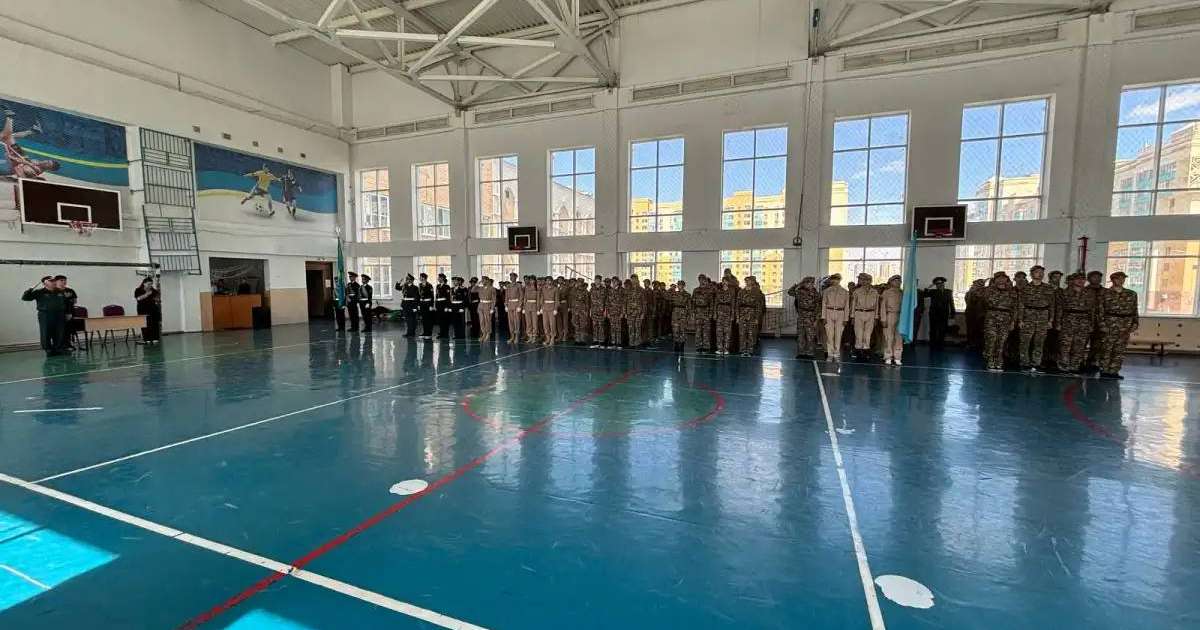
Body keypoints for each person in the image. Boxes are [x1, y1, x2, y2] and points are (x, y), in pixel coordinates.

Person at [1096, 271, 1138, 379]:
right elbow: (1100, 310)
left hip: (1125, 325)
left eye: (1123, 278)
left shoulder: (1131, 294)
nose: (1121, 280)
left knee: (1120, 350)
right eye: (1118, 278)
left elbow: (1134, 310)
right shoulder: (1104, 293)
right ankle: (1104, 370)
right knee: (1107, 348)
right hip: (1110, 324)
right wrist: (1102, 324)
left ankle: (1114, 371)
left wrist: (1135, 323)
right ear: (1113, 280)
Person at [1056, 272, 1098, 374]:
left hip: (1084, 322)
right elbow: (1059, 309)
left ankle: (1075, 366)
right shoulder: (1065, 292)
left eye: (1083, 279)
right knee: (1065, 345)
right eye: (1078, 279)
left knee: (1079, 346)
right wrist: (1058, 323)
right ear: (1073, 280)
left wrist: (1091, 324)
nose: (1081, 281)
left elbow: (1092, 310)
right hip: (1068, 321)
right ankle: (1063, 367)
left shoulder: (1090, 293)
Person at [1, 110, 60, 180]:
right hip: (19, 157)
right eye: (47, 161)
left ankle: (11, 118)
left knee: (7, 136)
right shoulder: (36, 162)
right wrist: (27, 162)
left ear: (48, 169)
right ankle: (11, 118)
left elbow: (18, 167)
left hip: (8, 166)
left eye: (47, 164)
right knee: (8, 136)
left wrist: (25, 162)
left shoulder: (34, 171)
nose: (45, 162)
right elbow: (20, 161)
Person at [1016, 265, 1054, 372]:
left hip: (1043, 317)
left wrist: (1051, 320)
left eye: (1042, 272)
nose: (1040, 274)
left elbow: (1052, 305)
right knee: (1025, 342)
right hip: (1028, 317)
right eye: (1037, 272)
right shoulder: (1025, 288)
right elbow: (1020, 304)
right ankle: (1024, 362)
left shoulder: (1048, 288)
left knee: (1039, 342)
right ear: (1032, 274)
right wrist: (1020, 320)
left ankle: (1036, 363)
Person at [22, 276, 67, 355]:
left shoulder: (60, 291)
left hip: (59, 314)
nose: (54, 282)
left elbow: (66, 302)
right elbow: (25, 298)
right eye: (51, 281)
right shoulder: (39, 292)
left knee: (59, 331)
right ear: (44, 283)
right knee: (46, 331)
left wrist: (67, 312)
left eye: (54, 280)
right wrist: (30, 289)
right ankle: (48, 349)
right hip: (45, 314)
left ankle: (58, 348)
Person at [982, 272, 1017, 372]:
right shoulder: (989, 290)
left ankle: (999, 362)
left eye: (1003, 278)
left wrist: (1013, 321)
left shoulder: (1012, 291)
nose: (1001, 280)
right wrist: (982, 282)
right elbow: (975, 293)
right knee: (991, 340)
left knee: (1002, 342)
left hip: (1006, 319)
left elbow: (1015, 308)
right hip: (991, 319)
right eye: (999, 278)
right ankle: (990, 361)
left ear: (1007, 279)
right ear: (995, 280)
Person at [850, 273, 879, 361]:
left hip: (871, 313)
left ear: (870, 281)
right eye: (864, 280)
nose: (865, 282)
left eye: (868, 280)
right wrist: (852, 316)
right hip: (859, 313)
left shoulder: (875, 292)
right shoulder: (856, 292)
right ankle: (859, 352)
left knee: (868, 334)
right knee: (858, 333)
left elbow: (877, 305)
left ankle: (866, 351)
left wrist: (876, 317)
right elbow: (853, 305)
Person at [788, 277, 820, 359]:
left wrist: (816, 320)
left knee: (810, 336)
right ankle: (801, 352)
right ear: (804, 283)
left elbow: (818, 307)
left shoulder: (815, 293)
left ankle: (810, 353)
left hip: (811, 317)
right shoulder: (799, 291)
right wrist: (798, 284)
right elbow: (790, 292)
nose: (811, 285)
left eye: (812, 283)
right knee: (800, 335)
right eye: (808, 283)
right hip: (801, 316)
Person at [820, 274, 849, 361]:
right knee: (829, 334)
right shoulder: (826, 291)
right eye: (833, 279)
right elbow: (824, 304)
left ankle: (836, 353)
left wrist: (846, 318)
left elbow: (847, 306)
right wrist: (823, 317)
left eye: (837, 279)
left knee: (838, 335)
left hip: (840, 313)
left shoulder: (845, 292)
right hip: (829, 312)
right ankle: (830, 354)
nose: (834, 281)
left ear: (840, 280)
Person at [922, 277, 955, 351]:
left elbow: (951, 303)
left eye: (941, 283)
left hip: (944, 314)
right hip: (934, 314)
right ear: (936, 285)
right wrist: (929, 287)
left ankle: (941, 344)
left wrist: (953, 313)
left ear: (943, 284)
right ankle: (932, 344)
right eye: (937, 284)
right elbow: (924, 295)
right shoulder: (933, 291)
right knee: (933, 329)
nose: (939, 285)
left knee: (942, 330)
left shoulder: (948, 292)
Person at [1083, 270, 1106, 373]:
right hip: (1086, 321)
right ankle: (1079, 362)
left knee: (1097, 345)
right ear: (1089, 279)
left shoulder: (1106, 291)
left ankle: (1092, 363)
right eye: (1094, 277)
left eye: (1099, 277)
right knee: (1081, 343)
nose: (1097, 279)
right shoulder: (1084, 291)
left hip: (1100, 322)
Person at [736, 276, 765, 356]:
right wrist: (737, 317)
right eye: (746, 281)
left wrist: (757, 318)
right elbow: (737, 305)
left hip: (752, 315)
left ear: (752, 282)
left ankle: (749, 350)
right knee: (742, 333)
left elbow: (758, 306)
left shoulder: (756, 292)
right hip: (742, 315)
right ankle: (742, 350)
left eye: (749, 281)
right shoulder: (741, 292)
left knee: (751, 333)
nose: (747, 282)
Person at [879, 275, 904, 365]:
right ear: (891, 282)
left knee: (899, 337)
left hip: (901, 315)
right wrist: (883, 319)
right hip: (890, 314)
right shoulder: (886, 293)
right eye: (895, 281)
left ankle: (897, 357)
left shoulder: (902, 293)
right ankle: (888, 356)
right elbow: (882, 306)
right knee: (888, 337)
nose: (898, 283)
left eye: (899, 281)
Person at [692, 275, 716, 353]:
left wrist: (711, 313)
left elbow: (711, 303)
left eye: (703, 279)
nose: (701, 281)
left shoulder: (709, 290)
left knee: (706, 330)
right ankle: (698, 346)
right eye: (700, 279)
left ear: (705, 280)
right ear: (699, 280)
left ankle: (706, 346)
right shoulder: (696, 290)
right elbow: (693, 302)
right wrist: (693, 312)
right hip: (698, 312)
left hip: (706, 311)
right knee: (698, 330)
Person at [134, 277, 162, 344]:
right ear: (144, 283)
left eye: (151, 284)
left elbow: (157, 299)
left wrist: (157, 299)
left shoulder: (153, 290)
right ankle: (147, 339)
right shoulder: (138, 290)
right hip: (143, 309)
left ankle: (155, 338)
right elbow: (138, 298)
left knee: (154, 324)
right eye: (148, 284)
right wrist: (147, 294)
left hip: (153, 309)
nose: (150, 285)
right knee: (145, 324)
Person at [714, 275, 737, 355]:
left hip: (728, 313)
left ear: (728, 282)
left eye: (726, 281)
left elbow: (733, 304)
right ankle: (720, 348)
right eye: (723, 281)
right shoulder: (718, 291)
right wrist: (715, 313)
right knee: (719, 331)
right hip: (719, 313)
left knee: (727, 332)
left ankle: (726, 349)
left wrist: (733, 315)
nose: (724, 283)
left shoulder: (732, 291)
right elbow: (716, 303)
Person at [56, 275, 80, 350]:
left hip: (69, 312)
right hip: (58, 313)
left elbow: (74, 301)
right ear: (56, 281)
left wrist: (69, 312)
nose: (64, 282)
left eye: (65, 280)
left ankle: (68, 344)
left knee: (68, 329)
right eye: (61, 280)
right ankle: (59, 345)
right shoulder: (54, 291)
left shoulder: (70, 290)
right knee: (59, 330)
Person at [964, 278, 987, 351]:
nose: (979, 286)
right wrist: (974, 294)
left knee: (980, 331)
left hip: (981, 316)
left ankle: (979, 345)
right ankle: (970, 344)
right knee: (970, 330)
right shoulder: (969, 293)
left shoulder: (985, 293)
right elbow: (968, 302)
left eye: (981, 284)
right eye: (977, 284)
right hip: (971, 315)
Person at [669, 280, 691, 352]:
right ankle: (676, 343)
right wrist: (671, 289)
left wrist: (689, 315)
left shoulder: (687, 295)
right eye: (678, 285)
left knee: (682, 329)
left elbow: (689, 306)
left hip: (683, 313)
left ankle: (682, 344)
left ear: (684, 286)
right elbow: (666, 297)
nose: (679, 286)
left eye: (681, 285)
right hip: (675, 312)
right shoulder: (674, 293)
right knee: (675, 329)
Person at [625, 276, 646, 348]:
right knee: (630, 328)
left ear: (637, 280)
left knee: (637, 328)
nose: (633, 281)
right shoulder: (628, 290)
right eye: (632, 279)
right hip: (630, 312)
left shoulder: (641, 290)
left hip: (638, 313)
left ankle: (637, 343)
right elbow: (625, 301)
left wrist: (643, 313)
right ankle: (631, 343)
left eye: (634, 279)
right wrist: (625, 312)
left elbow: (644, 303)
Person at [605, 277, 626, 348]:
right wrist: (607, 312)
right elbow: (607, 302)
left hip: (619, 312)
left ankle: (618, 343)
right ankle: (613, 342)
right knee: (612, 328)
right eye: (613, 281)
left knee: (618, 328)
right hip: (611, 312)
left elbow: (624, 302)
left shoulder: (622, 290)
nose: (614, 282)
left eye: (615, 281)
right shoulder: (610, 291)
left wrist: (622, 313)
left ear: (618, 282)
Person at [589, 275, 608, 349]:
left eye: (598, 280)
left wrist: (605, 310)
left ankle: (601, 342)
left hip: (601, 310)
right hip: (594, 310)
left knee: (601, 326)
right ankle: (595, 341)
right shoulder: (592, 289)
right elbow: (590, 301)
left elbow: (606, 301)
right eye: (595, 280)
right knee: (594, 326)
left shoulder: (604, 289)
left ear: (600, 281)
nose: (597, 281)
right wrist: (590, 310)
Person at [571, 278, 591, 346]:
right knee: (576, 325)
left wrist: (587, 311)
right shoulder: (574, 290)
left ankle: (582, 340)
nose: (579, 283)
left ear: (582, 283)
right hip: (575, 310)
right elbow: (572, 298)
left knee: (583, 325)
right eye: (578, 282)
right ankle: (577, 339)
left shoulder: (585, 291)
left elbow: (587, 302)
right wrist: (572, 309)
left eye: (580, 282)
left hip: (583, 310)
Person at [540, 276, 559, 346]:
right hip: (545, 308)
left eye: (549, 280)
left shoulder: (555, 289)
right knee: (545, 324)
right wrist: (541, 307)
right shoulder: (543, 288)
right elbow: (542, 298)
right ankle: (547, 338)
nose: (548, 282)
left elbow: (557, 300)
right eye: (547, 280)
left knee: (552, 324)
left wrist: (555, 309)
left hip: (552, 307)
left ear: (552, 281)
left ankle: (552, 338)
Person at [477, 277, 497, 342]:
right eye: (482, 280)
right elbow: (472, 290)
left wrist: (492, 308)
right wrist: (478, 283)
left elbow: (494, 299)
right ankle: (484, 333)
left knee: (487, 320)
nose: (482, 281)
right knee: (481, 320)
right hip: (481, 305)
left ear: (487, 281)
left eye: (483, 280)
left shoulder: (492, 288)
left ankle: (488, 333)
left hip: (488, 305)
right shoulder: (480, 288)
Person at [505, 273, 524, 343]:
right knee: (511, 321)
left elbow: (521, 296)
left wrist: (519, 306)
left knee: (517, 321)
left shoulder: (519, 285)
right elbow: (506, 296)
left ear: (516, 277)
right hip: (510, 304)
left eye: (513, 277)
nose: (511, 278)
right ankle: (512, 336)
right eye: (510, 277)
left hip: (516, 304)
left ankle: (516, 337)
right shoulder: (508, 286)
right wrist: (506, 305)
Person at [523, 276, 541, 344]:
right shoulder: (527, 288)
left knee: (534, 322)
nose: (531, 281)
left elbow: (538, 299)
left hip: (534, 306)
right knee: (528, 322)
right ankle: (530, 336)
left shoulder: (537, 288)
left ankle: (534, 337)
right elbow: (525, 298)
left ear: (535, 281)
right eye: (530, 280)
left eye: (533, 280)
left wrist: (538, 309)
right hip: (527, 306)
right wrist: (524, 307)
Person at [417, 273, 435, 338]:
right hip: (422, 303)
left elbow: (432, 296)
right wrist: (419, 304)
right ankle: (424, 332)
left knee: (428, 319)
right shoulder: (420, 285)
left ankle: (429, 333)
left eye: (421, 277)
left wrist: (431, 305)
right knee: (424, 319)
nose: (420, 278)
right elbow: (419, 296)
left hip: (428, 303)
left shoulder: (429, 285)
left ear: (424, 278)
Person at [435, 274, 452, 339]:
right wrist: (435, 305)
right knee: (440, 320)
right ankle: (441, 333)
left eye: (439, 278)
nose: (438, 279)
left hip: (444, 304)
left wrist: (447, 306)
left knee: (445, 320)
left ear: (442, 278)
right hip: (439, 304)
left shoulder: (447, 286)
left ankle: (446, 334)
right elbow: (437, 296)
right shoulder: (438, 286)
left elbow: (448, 297)